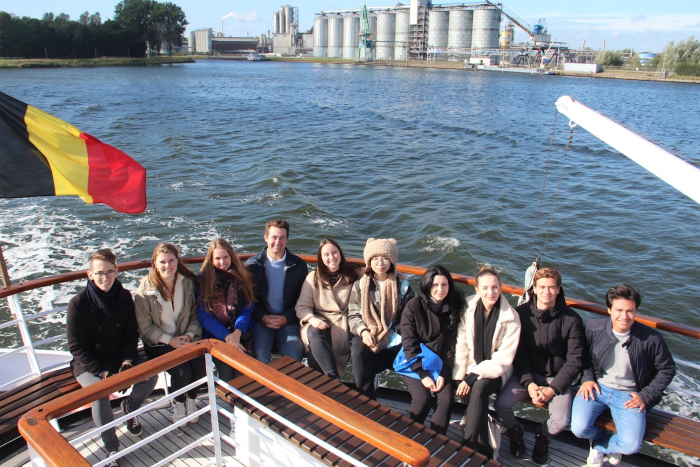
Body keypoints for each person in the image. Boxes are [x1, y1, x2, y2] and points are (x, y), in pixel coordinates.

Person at [67, 249, 157, 467]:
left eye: (109, 272)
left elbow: (130, 333)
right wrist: (103, 372)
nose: (104, 277)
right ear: (90, 275)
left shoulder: (124, 297)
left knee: (150, 374)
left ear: (116, 272)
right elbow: (76, 347)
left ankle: (130, 408)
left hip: (119, 357)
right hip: (89, 364)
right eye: (99, 273)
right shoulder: (78, 304)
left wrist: (127, 361)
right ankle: (111, 449)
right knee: (99, 394)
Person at [571, 284, 676, 467]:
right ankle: (603, 439)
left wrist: (646, 395)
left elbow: (667, 369)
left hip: (630, 395)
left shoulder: (651, 338)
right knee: (578, 429)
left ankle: (600, 446)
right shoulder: (594, 328)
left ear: (636, 311)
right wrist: (587, 378)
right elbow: (584, 355)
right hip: (598, 388)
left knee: (630, 446)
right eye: (619, 310)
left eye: (630, 311)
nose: (624, 316)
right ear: (609, 310)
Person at [494, 268, 585, 464]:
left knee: (560, 422)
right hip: (527, 374)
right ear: (533, 288)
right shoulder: (521, 314)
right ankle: (514, 429)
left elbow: (575, 360)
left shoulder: (572, 319)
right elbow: (518, 353)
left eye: (552, 287)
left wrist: (553, 389)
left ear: (559, 290)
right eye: (542, 287)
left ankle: (542, 436)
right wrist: (529, 383)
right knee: (501, 405)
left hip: (557, 378)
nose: (547, 292)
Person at [452, 266, 521, 459]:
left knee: (479, 387)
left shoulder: (511, 317)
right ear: (477, 289)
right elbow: (462, 342)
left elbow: (503, 358)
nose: (491, 292)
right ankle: (483, 450)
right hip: (472, 366)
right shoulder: (468, 307)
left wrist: (472, 377)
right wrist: (460, 375)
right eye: (485, 288)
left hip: (499, 371)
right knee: (474, 389)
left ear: (501, 288)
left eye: (495, 287)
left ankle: (467, 446)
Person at [134, 243, 205, 424]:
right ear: (155, 264)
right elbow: (145, 327)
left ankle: (191, 400)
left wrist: (189, 335)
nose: (167, 266)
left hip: (185, 338)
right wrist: (169, 340)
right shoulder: (145, 289)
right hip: (158, 343)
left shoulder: (187, 283)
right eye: (162, 262)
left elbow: (194, 316)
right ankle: (178, 402)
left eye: (171, 261)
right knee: (182, 371)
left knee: (199, 365)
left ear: (177, 261)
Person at [399, 265, 464, 435]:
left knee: (447, 400)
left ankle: (436, 440)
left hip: (440, 362)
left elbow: (451, 345)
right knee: (423, 400)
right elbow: (409, 342)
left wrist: (444, 372)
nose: (440, 290)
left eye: (444, 285)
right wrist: (422, 374)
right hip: (415, 362)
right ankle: (410, 439)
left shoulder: (452, 307)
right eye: (435, 285)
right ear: (427, 285)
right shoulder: (414, 306)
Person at [348, 238, 415, 400]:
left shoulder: (403, 287)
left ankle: (367, 398)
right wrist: (364, 332)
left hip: (393, 338)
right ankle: (367, 399)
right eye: (375, 258)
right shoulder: (360, 285)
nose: (380, 263)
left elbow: (409, 320)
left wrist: (388, 336)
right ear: (369, 261)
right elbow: (353, 314)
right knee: (357, 348)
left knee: (370, 363)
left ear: (392, 261)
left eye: (385, 258)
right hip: (369, 334)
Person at [296, 239, 361, 380]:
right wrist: (312, 319)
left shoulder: (354, 274)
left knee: (315, 352)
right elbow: (302, 307)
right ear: (321, 258)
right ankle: (334, 379)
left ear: (340, 253)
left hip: (343, 324)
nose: (331, 257)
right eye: (326, 254)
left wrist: (394, 274)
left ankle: (326, 386)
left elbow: (374, 277)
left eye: (334, 253)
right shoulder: (313, 278)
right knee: (313, 334)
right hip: (318, 321)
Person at [246, 219, 308, 364]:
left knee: (294, 357)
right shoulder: (252, 266)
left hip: (288, 320)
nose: (277, 242)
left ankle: (288, 387)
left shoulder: (298, 266)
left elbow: (303, 300)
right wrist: (262, 317)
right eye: (274, 237)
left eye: (282, 238)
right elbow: (248, 299)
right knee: (260, 354)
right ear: (265, 238)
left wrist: (286, 318)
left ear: (287, 239)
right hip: (262, 320)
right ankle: (267, 386)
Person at [197, 238, 256, 381]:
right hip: (215, 334)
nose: (222, 262)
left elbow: (247, 308)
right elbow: (204, 315)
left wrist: (237, 332)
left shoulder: (241, 277)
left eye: (225, 257)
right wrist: (227, 337)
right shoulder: (202, 281)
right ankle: (228, 401)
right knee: (226, 369)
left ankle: (245, 400)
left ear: (231, 257)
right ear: (211, 260)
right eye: (217, 258)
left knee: (247, 367)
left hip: (240, 331)